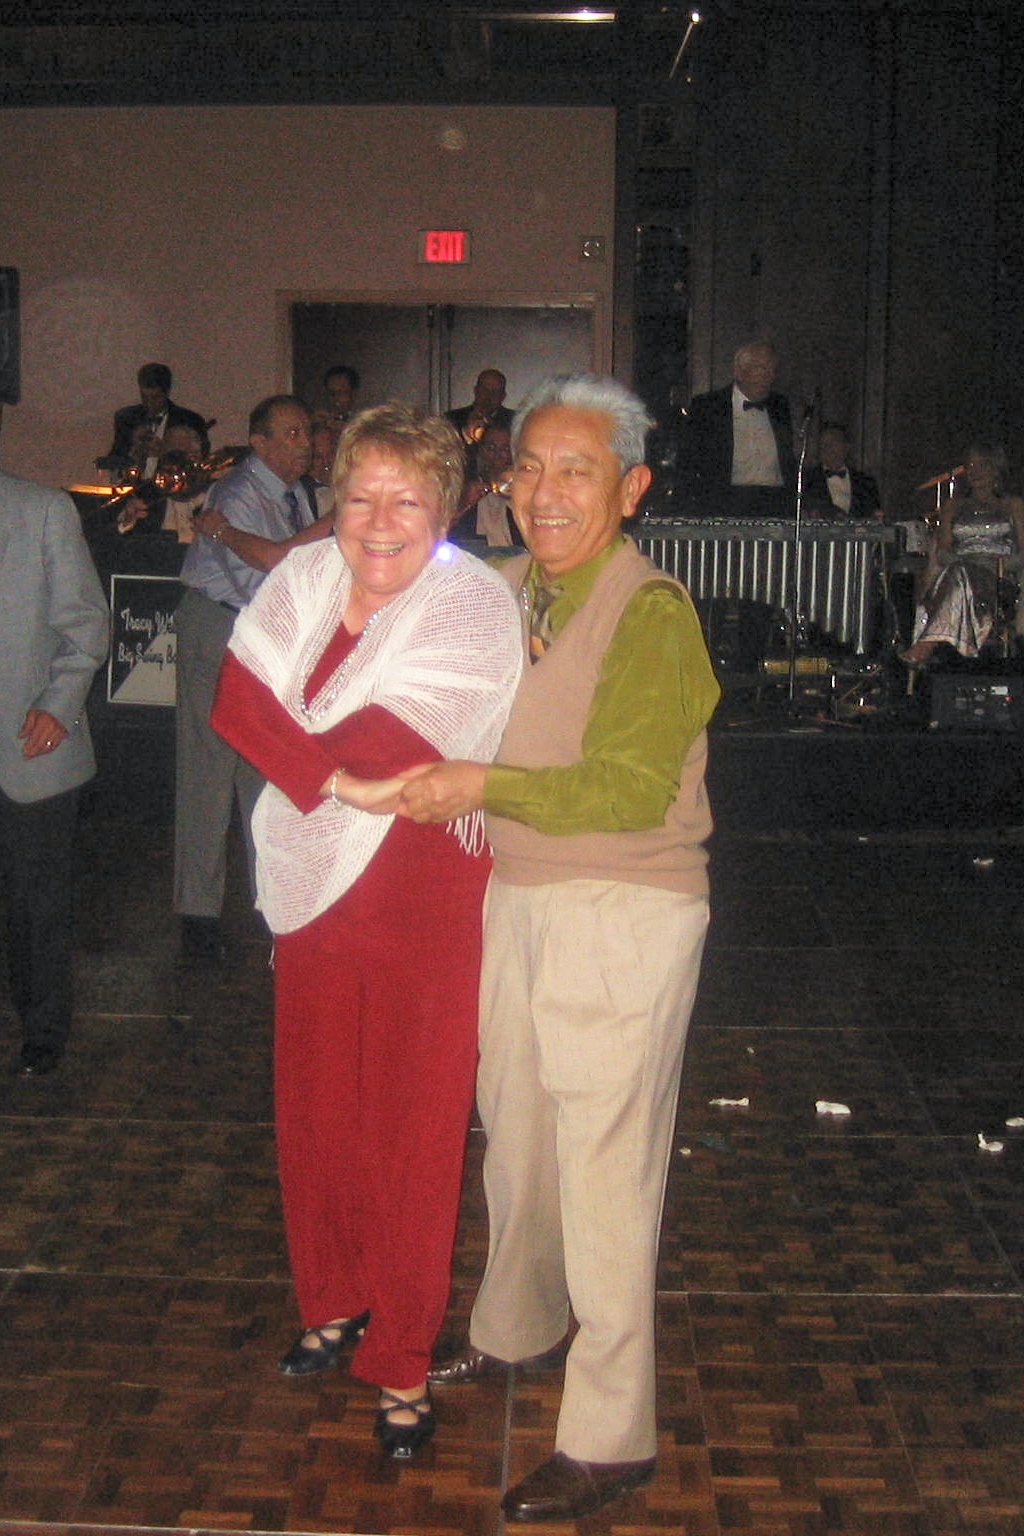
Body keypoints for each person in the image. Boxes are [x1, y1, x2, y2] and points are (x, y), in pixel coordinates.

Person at [401, 373, 720, 1521]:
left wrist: (478, 784)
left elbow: (628, 790)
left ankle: (610, 1435)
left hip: (623, 908)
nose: (543, 491)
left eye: (575, 470)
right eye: (528, 466)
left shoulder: (650, 612)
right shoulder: (502, 592)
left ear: (630, 489)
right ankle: (516, 1326)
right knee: (520, 1137)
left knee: (603, 1175)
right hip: (523, 894)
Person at [208, 403, 522, 1458]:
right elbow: (232, 699)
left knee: (411, 1131)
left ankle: (401, 1357)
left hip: (421, 898)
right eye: (359, 496)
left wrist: (307, 752)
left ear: (447, 510)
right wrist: (332, 780)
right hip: (311, 886)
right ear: (333, 501)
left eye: (408, 501)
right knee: (315, 1110)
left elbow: (390, 745)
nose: (380, 522)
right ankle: (333, 1299)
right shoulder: (302, 577)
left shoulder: (471, 604)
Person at [174, 394, 329, 960]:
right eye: (290, 433)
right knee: (209, 771)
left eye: (305, 431)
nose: (304, 443)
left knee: (261, 772)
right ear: (259, 442)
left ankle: (272, 904)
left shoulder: (294, 493)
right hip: (221, 629)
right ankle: (197, 916)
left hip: (261, 636)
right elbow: (264, 578)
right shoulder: (240, 493)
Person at [0, 407, 108, 1076]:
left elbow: (87, 626)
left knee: (36, 905)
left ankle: (42, 1030)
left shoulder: (41, 512)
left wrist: (57, 705)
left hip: (28, 746)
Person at [901, 443, 1024, 666]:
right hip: (959, 572)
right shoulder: (952, 506)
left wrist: (993, 564)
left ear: (996, 470)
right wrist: (968, 564)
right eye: (971, 465)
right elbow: (943, 552)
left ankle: (926, 645)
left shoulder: (1012, 505)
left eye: (982, 465)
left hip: (998, 578)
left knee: (961, 575)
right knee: (960, 574)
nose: (975, 471)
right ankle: (931, 646)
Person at [679, 337, 796, 515]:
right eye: (761, 368)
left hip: (775, 502)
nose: (769, 376)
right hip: (726, 503)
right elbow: (689, 460)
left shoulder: (779, 405)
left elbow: (787, 459)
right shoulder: (709, 406)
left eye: (772, 370)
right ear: (739, 372)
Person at [97, 363, 210, 480]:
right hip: (135, 487)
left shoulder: (190, 421)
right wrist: (134, 450)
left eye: (155, 397)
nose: (149, 403)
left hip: (174, 488)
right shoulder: (126, 418)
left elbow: (199, 463)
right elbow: (115, 458)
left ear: (167, 393)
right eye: (144, 397)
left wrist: (165, 452)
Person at [449, 422, 521, 547]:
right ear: (481, 451)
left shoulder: (524, 493)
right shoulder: (464, 487)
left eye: (505, 449)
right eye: (491, 448)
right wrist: (465, 503)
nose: (497, 456)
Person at [804, 422, 882, 520]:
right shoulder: (807, 480)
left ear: (846, 447)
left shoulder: (866, 483)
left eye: (833, 442)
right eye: (823, 443)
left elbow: (875, 516)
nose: (827, 447)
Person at [447, 369, 515, 479]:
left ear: (503, 396)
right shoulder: (452, 419)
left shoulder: (514, 420)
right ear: (476, 391)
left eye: (495, 391)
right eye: (485, 390)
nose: (489, 396)